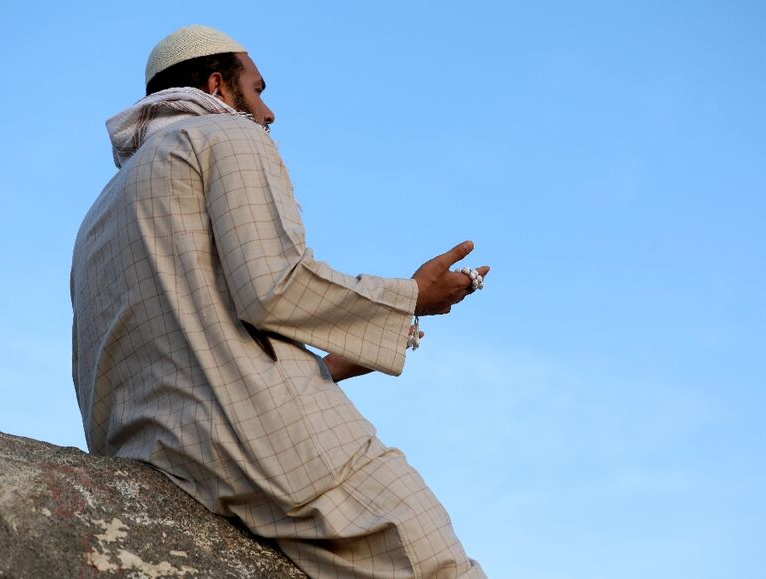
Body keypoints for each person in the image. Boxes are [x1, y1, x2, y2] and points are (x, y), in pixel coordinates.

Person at [71, 24, 489, 578]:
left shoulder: (96, 219)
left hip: (156, 458)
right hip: (267, 451)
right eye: (259, 89)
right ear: (218, 87)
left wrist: (326, 369)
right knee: (434, 560)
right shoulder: (226, 136)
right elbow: (275, 287)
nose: (268, 114)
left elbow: (191, 348)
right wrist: (412, 297)